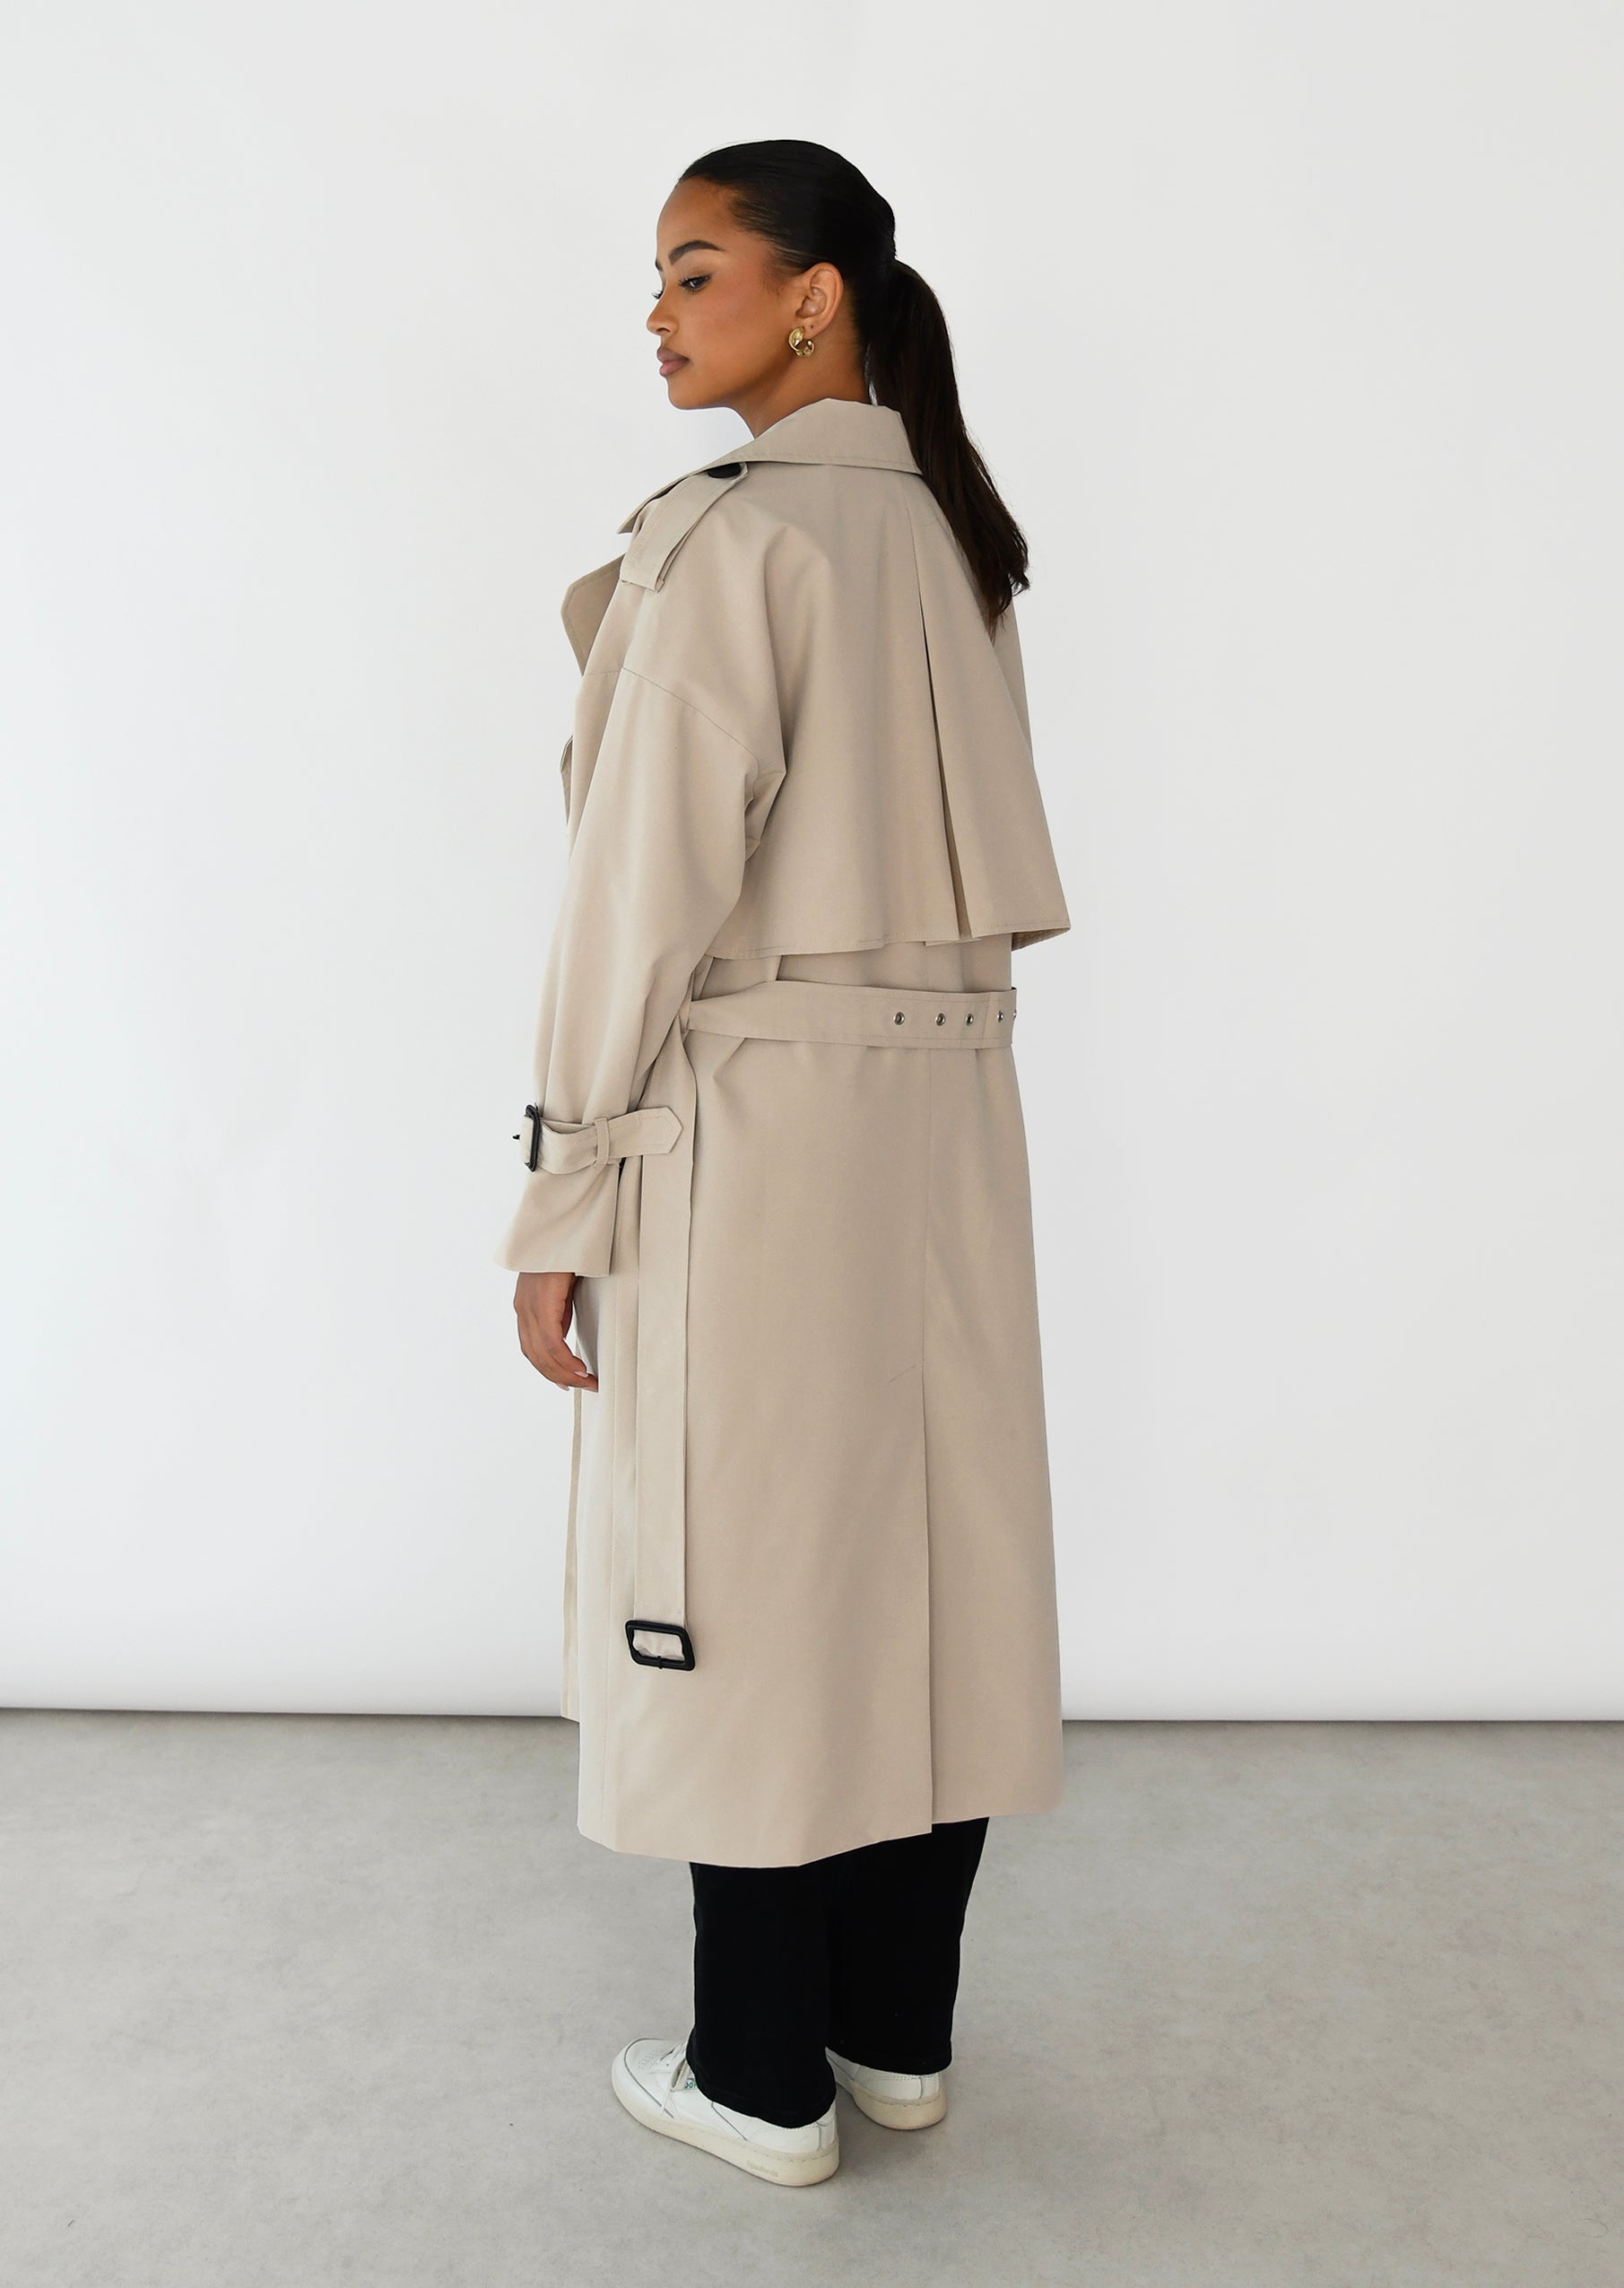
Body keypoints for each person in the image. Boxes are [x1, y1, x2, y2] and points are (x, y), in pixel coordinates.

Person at [495, 139, 1071, 2188]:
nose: (658, 313)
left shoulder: (727, 542)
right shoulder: (954, 533)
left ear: (813, 295)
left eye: (694, 270)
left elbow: (632, 901)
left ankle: (760, 2073)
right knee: (929, 1559)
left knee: (734, 1576)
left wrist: (564, 1188)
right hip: (948, 1125)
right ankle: (896, 2033)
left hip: (749, 1128)